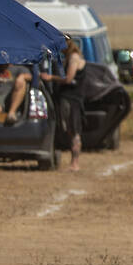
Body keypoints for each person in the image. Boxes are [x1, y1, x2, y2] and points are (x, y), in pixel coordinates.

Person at [39, 37, 88, 170]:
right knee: (71, 131)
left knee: (73, 130)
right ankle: (74, 162)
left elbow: (68, 78)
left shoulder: (73, 58)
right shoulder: (71, 57)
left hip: (72, 100)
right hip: (72, 99)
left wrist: (50, 78)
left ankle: (75, 163)